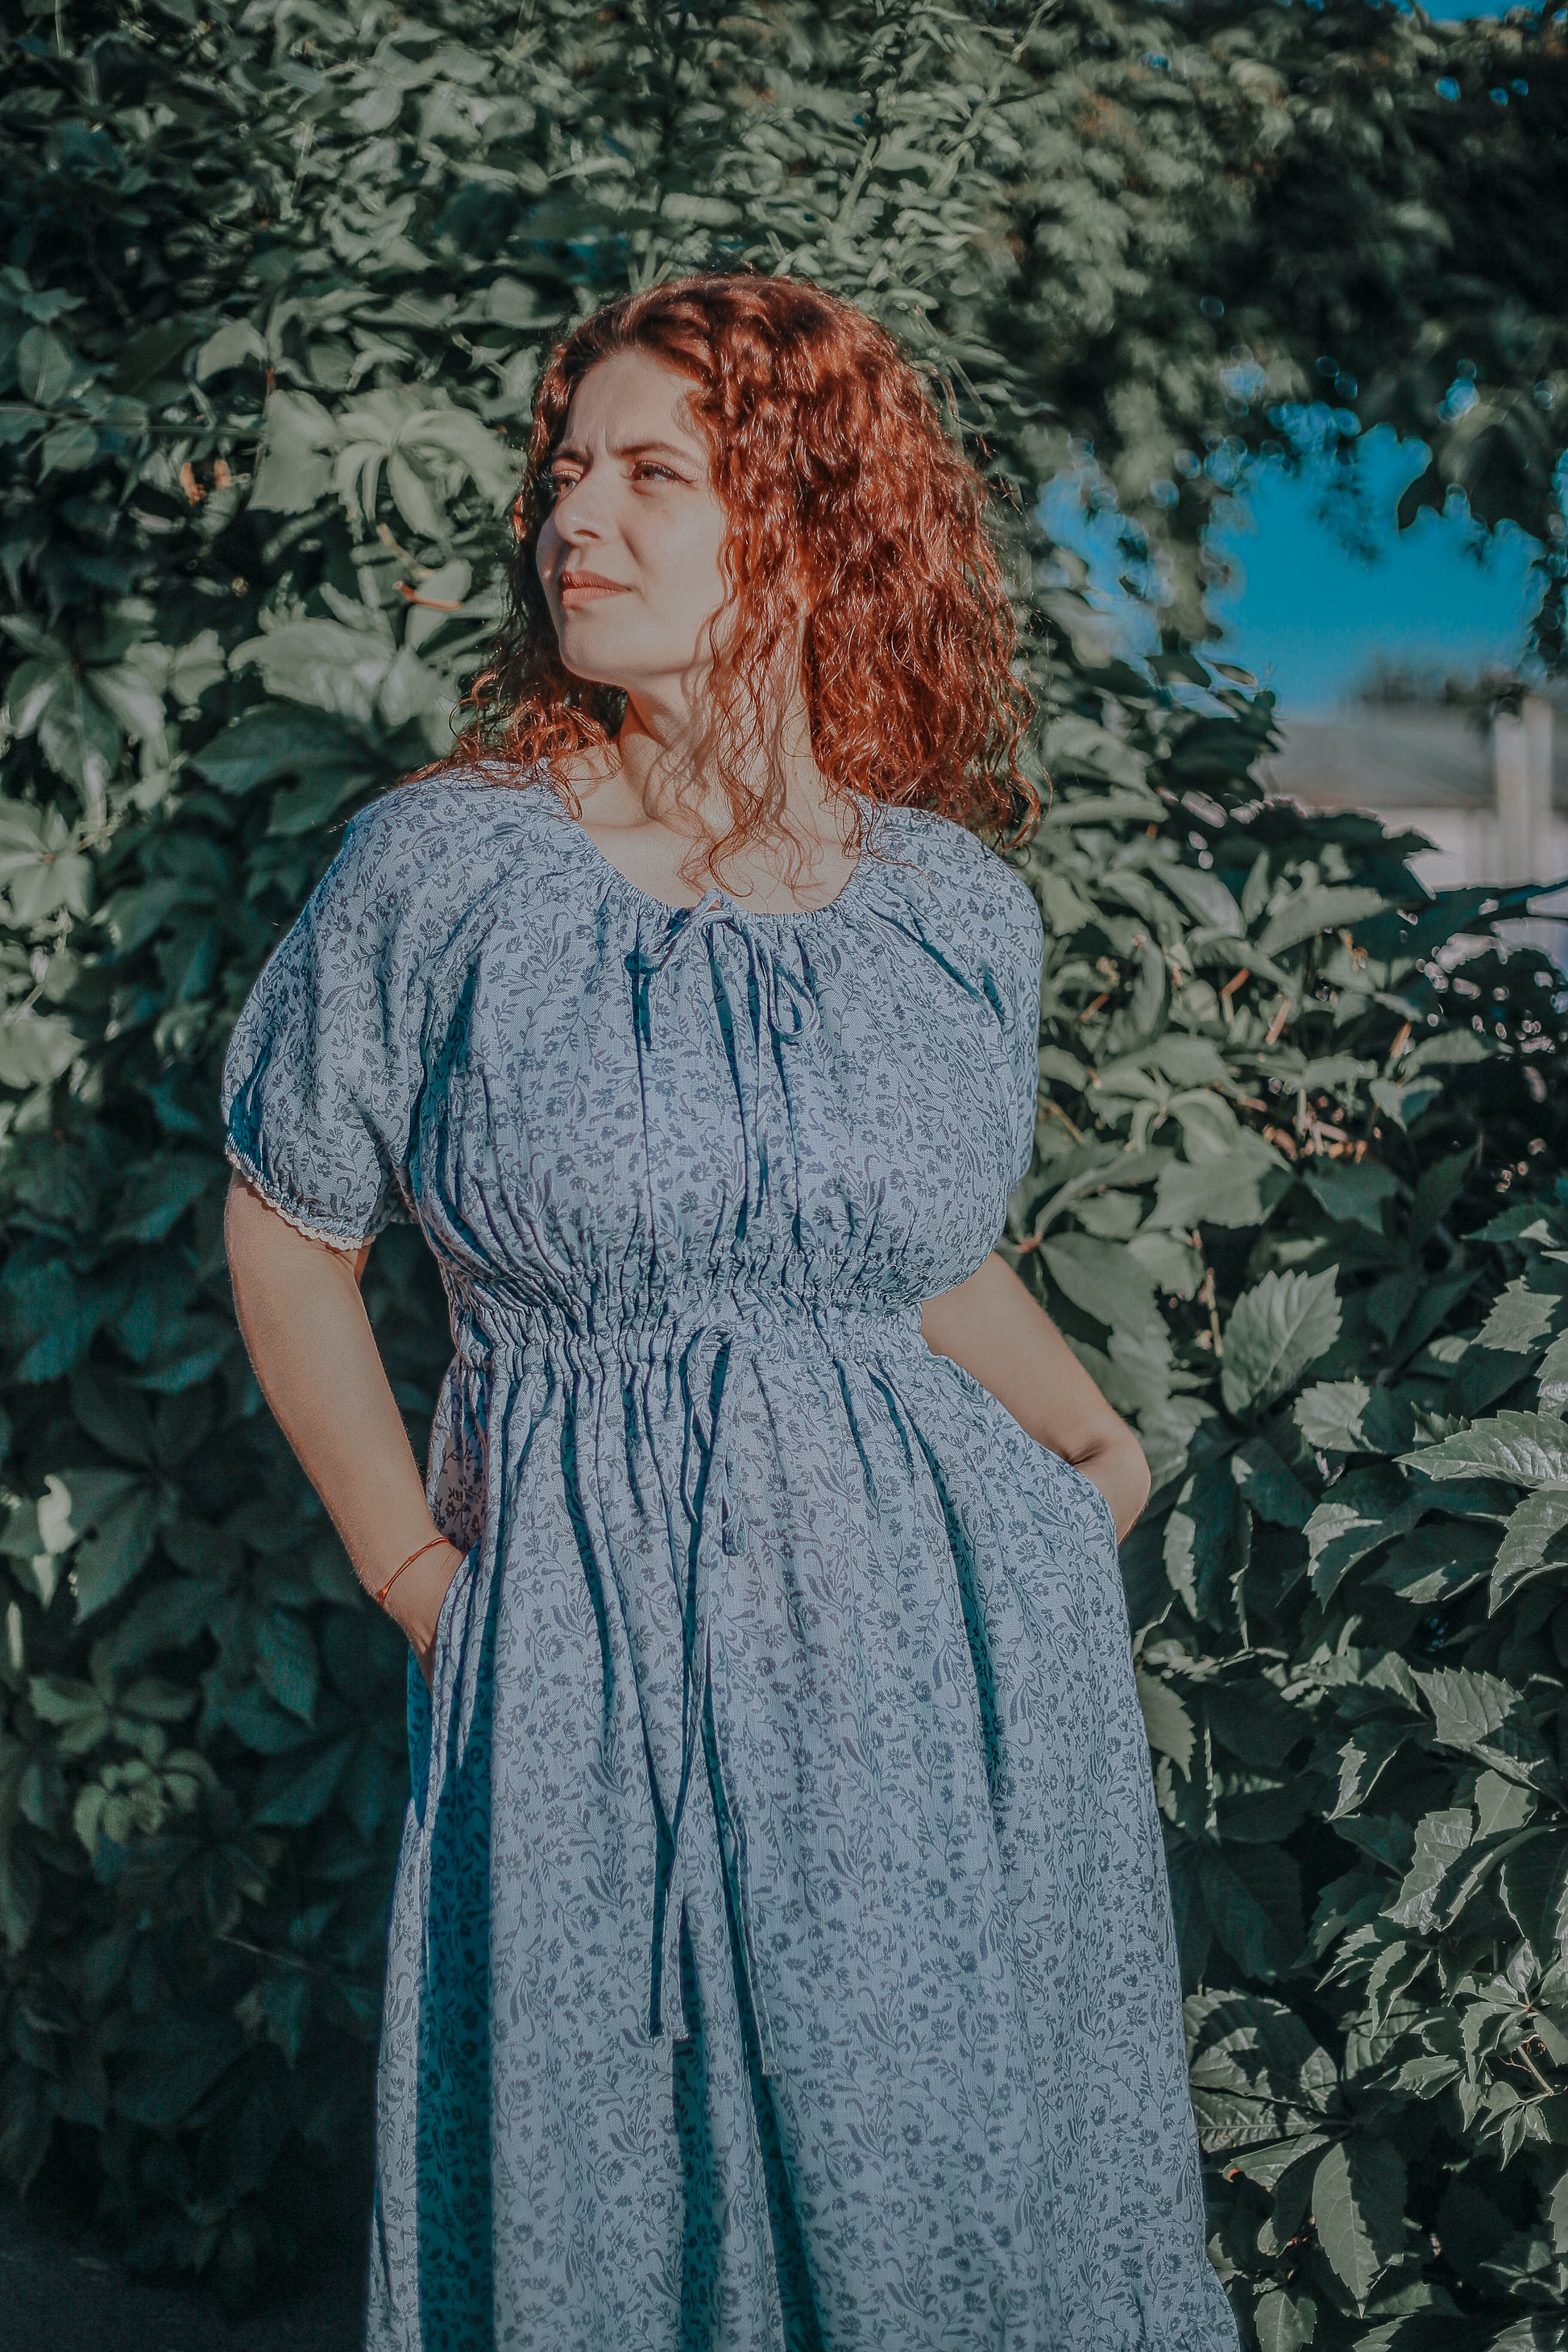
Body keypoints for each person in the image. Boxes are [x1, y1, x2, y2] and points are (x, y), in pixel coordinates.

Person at [222, 273, 1238, 2352]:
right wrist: (419, 1572)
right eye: (566, 472)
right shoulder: (443, 875)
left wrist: (1091, 1457)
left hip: (928, 1674)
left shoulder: (957, 911)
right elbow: (286, 1225)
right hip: (587, 1649)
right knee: (621, 2200)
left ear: (810, 527)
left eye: (653, 475)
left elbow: (905, 1252)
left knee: (941, 2212)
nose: (574, 519)